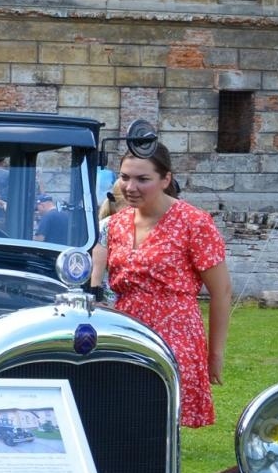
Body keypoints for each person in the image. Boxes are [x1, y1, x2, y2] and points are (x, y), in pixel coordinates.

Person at [93, 144, 230, 427]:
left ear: (166, 180)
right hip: (126, 334)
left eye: (143, 179)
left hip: (174, 336)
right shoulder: (115, 224)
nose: (130, 186)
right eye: (125, 177)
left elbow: (221, 292)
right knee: (121, 425)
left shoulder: (194, 222)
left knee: (161, 429)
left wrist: (214, 354)